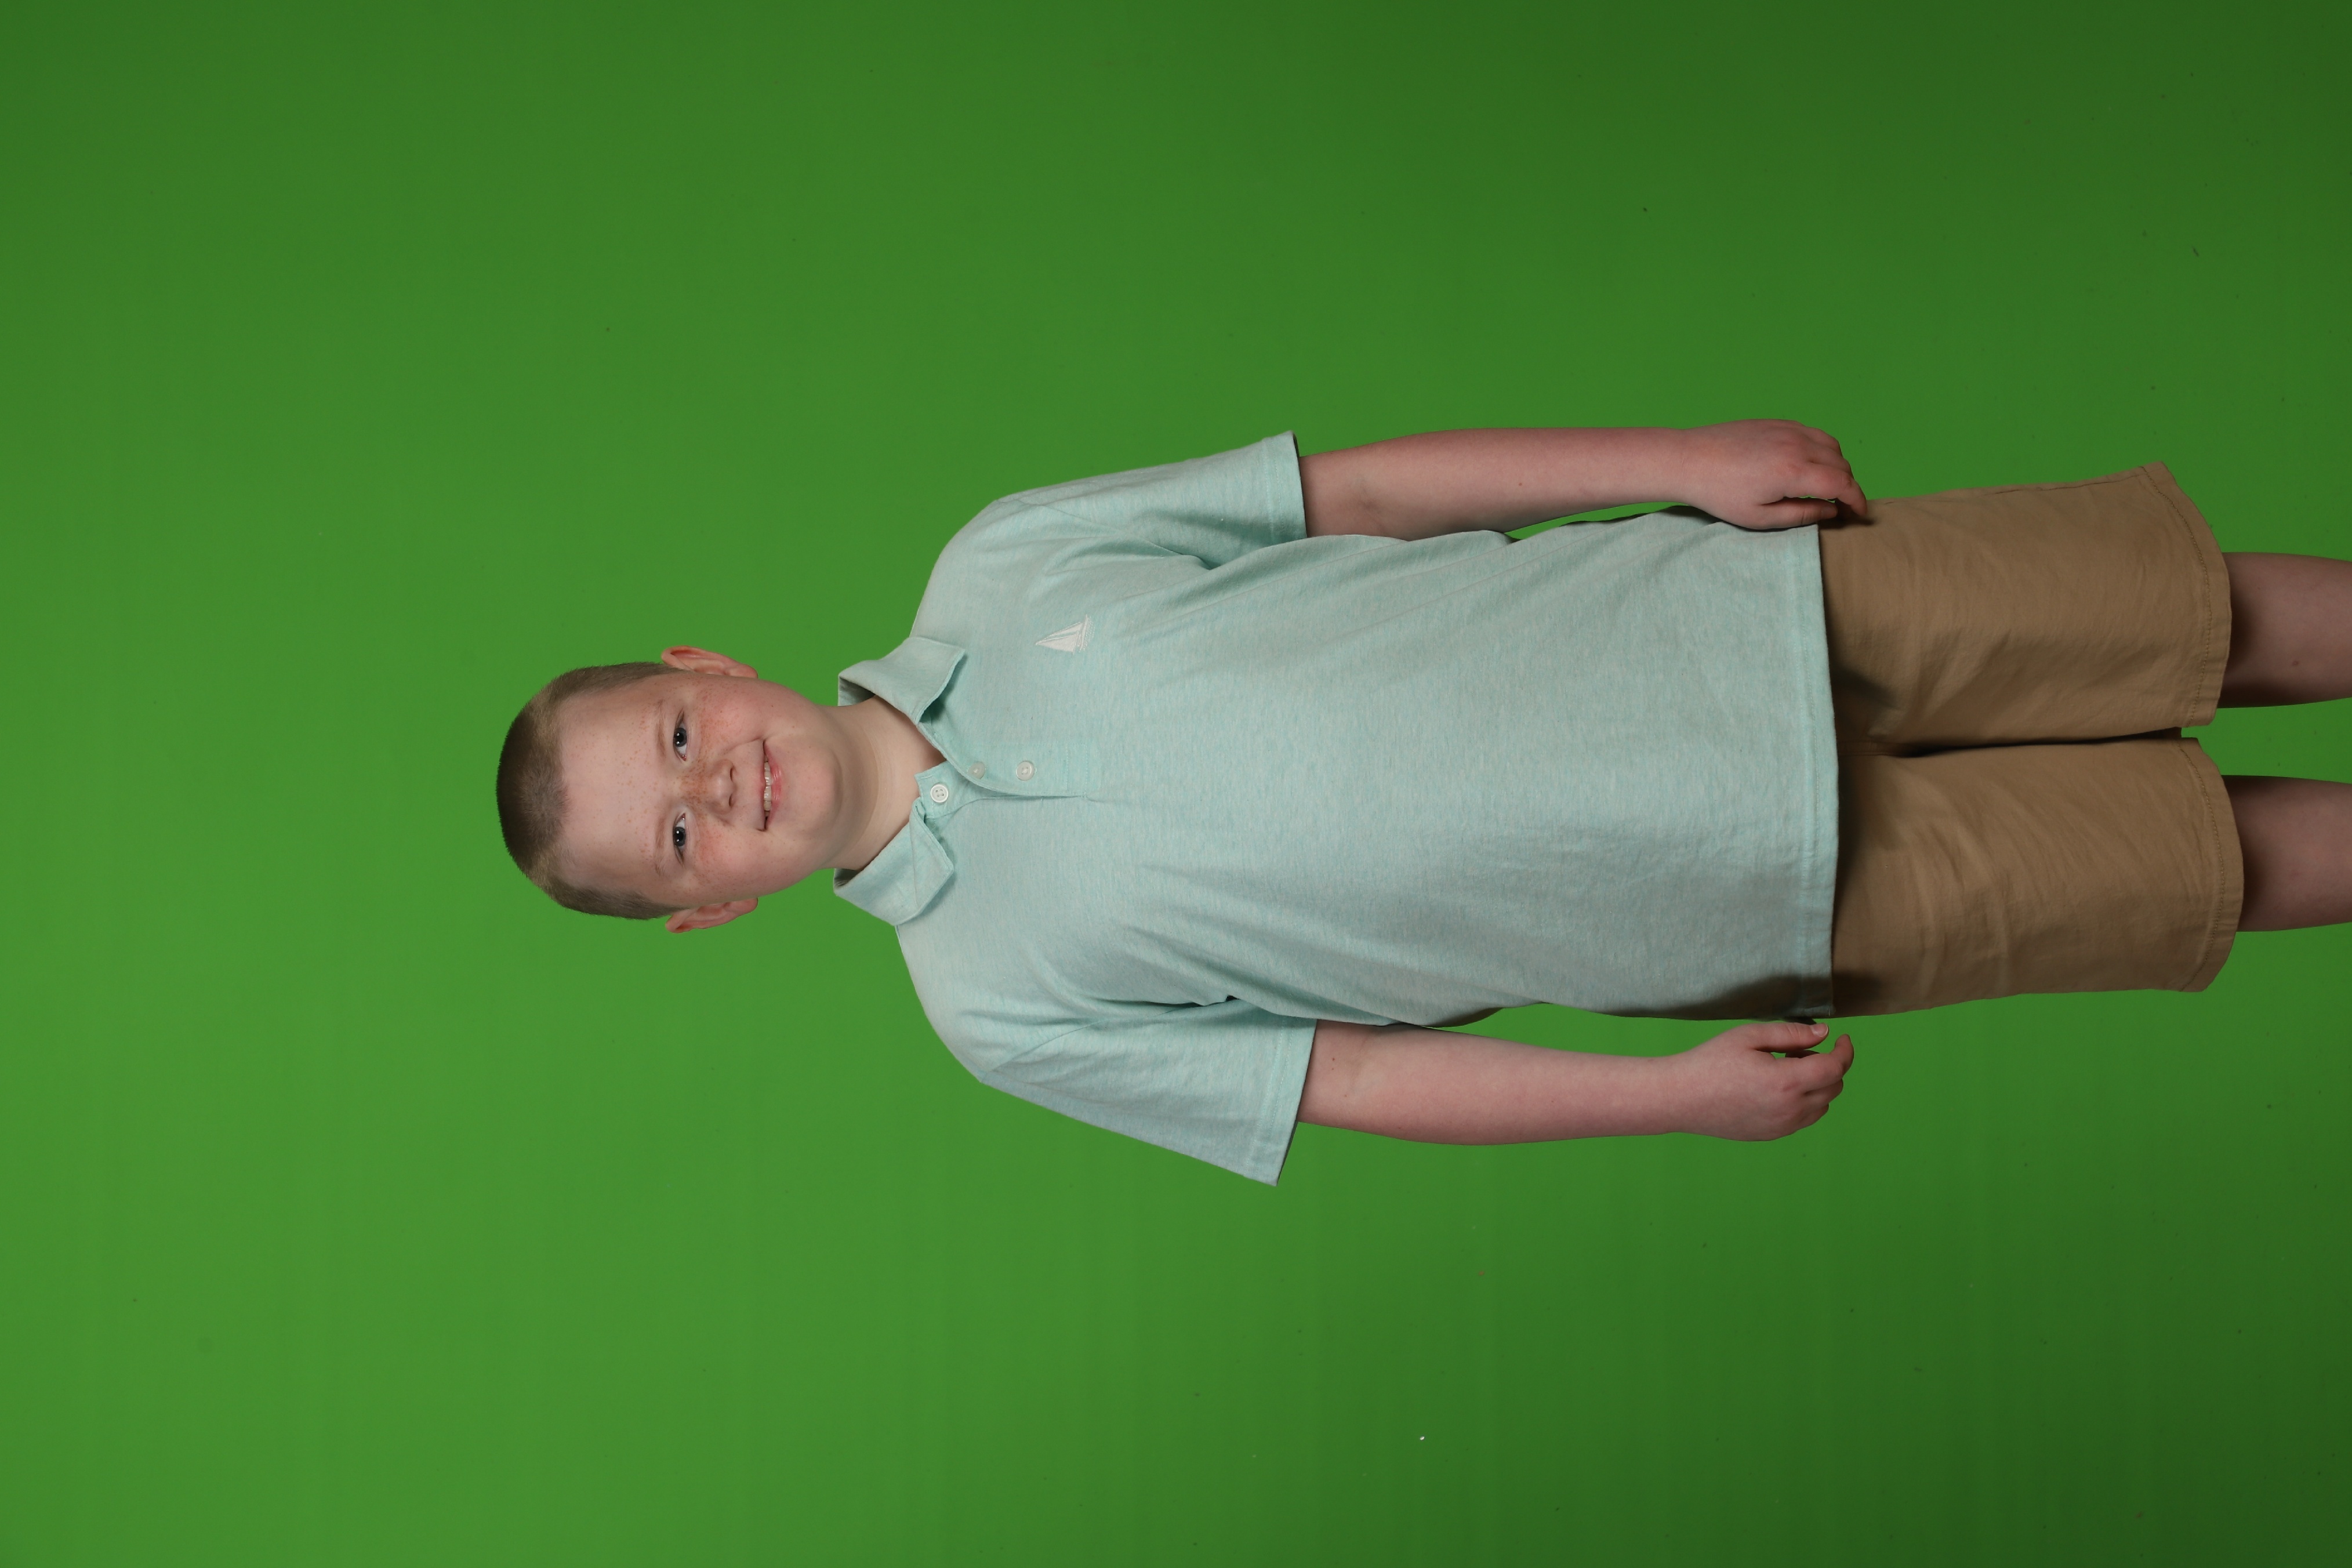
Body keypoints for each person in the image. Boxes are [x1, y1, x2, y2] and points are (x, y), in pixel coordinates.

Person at [495, 422, 2352, 1182]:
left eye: (678, 734)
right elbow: (1351, 1079)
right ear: (709, 907)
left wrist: (1679, 459)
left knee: (2196, 614)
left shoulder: (1007, 561)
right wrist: (1661, 1098)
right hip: (1755, 892)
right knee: (2208, 863)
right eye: (681, 832)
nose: (717, 783)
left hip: (1735, 612)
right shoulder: (994, 1009)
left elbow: (1361, 496)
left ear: (703, 661)